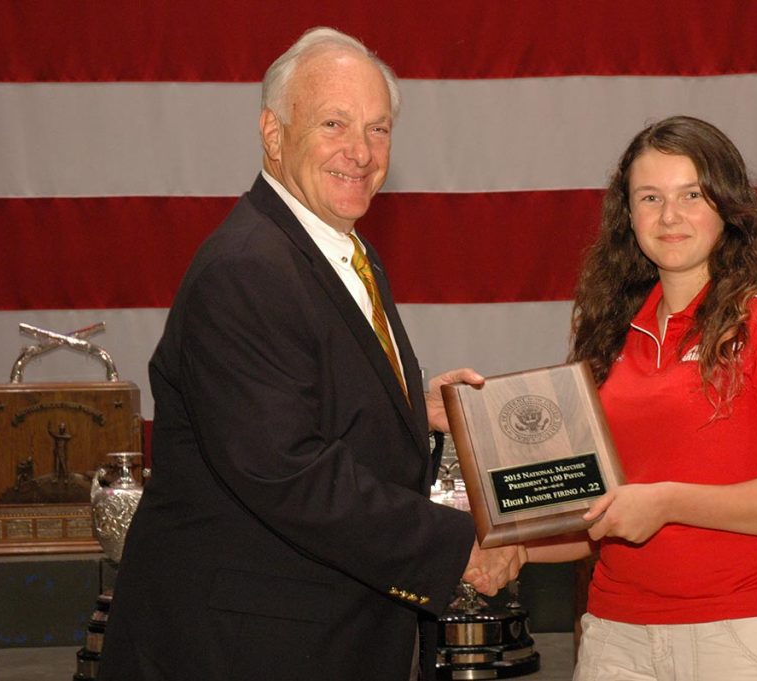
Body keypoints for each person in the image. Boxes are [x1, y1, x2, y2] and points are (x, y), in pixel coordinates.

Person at [97, 27, 524, 681]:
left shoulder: (343, 252)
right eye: (335, 123)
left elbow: (310, 399)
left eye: (378, 129)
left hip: (324, 638)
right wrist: (456, 546)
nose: (361, 151)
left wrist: (414, 406)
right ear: (273, 133)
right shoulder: (246, 269)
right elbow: (286, 471)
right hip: (241, 651)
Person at [527, 116, 757, 680]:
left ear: (726, 206)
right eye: (650, 197)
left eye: (691, 195)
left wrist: (668, 501)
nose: (669, 216)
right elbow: (591, 508)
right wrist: (507, 548)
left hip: (747, 637)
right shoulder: (606, 333)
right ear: (628, 216)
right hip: (614, 639)